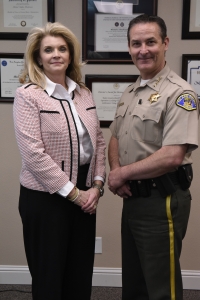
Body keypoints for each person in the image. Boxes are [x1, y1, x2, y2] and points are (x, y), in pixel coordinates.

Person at [108, 14, 199, 300]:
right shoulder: (131, 91)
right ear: (129, 47)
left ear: (165, 43)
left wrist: (122, 174)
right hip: (133, 198)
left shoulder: (180, 93)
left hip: (163, 201)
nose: (143, 50)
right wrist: (115, 169)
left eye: (150, 42)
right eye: (136, 43)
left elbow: (172, 156)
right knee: (135, 282)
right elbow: (115, 137)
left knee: (161, 286)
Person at [13, 22, 106, 300]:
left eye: (62, 48)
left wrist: (97, 186)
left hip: (86, 196)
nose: (56, 54)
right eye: (48, 49)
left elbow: (98, 142)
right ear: (37, 57)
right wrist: (74, 194)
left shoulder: (84, 93)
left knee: (79, 273)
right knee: (49, 276)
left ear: (70, 54)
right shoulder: (28, 95)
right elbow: (33, 154)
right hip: (46, 198)